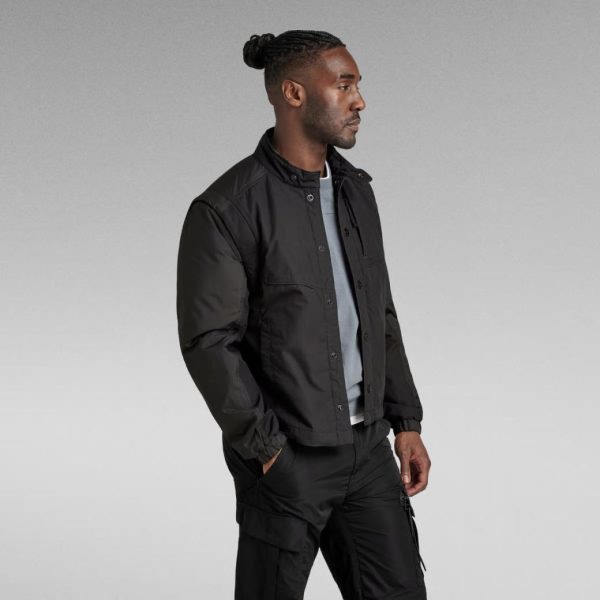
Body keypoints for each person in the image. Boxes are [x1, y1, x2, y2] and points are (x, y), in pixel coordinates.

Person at [176, 29, 431, 599]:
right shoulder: (226, 209)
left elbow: (379, 312)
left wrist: (406, 421)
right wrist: (268, 450)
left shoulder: (356, 191)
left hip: (368, 452)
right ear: (293, 93)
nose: (359, 100)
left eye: (357, 86)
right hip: (287, 459)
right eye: (344, 85)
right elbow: (209, 342)